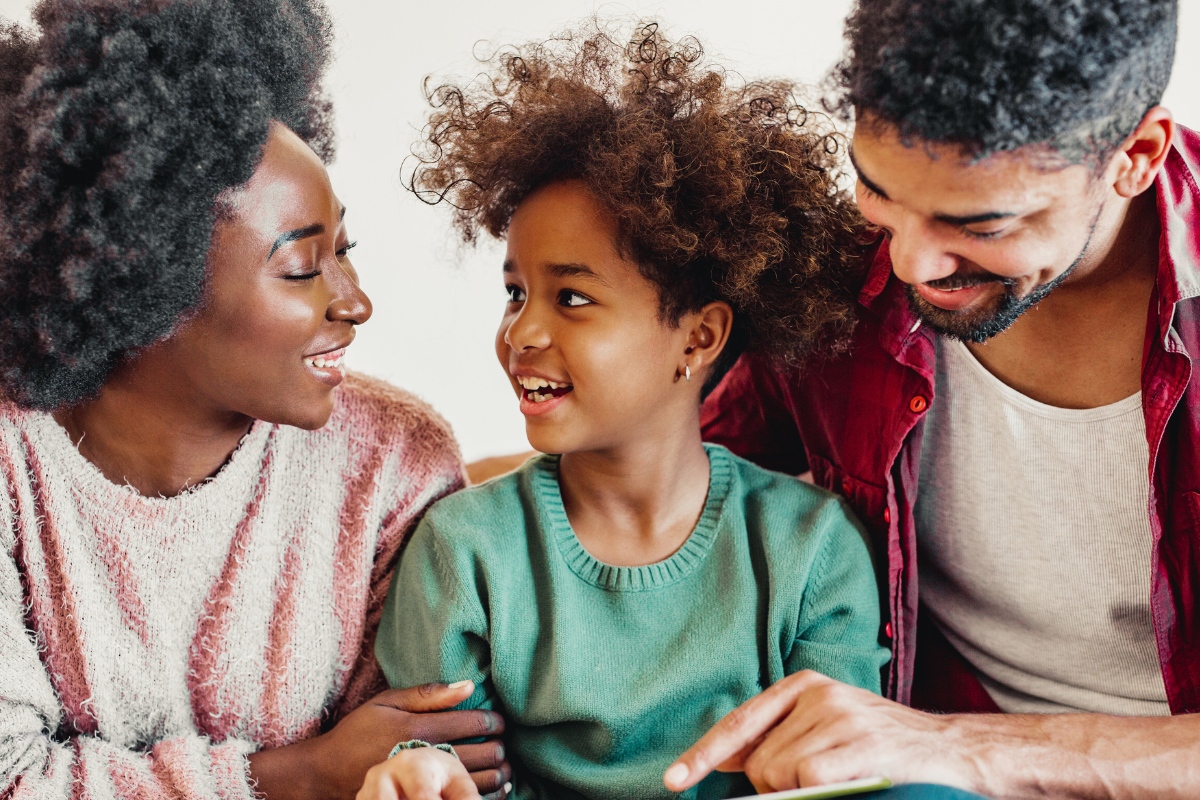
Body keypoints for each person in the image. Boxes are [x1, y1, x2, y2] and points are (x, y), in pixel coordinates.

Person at [661, 0, 1200, 796]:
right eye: (877, 191)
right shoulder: (843, 278)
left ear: (1135, 156)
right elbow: (662, 483)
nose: (911, 264)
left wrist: (961, 747)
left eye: (980, 223)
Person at [361, 22, 903, 800]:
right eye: (516, 293)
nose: (523, 331)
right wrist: (420, 772)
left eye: (572, 297)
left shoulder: (812, 551)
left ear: (699, 337)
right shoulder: (465, 551)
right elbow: (444, 767)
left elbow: (842, 774)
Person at [0, 2, 509, 798]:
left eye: (346, 250)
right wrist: (299, 775)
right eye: (305, 267)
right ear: (148, 287)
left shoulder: (394, 463)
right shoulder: (11, 463)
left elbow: (406, 765)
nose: (356, 302)